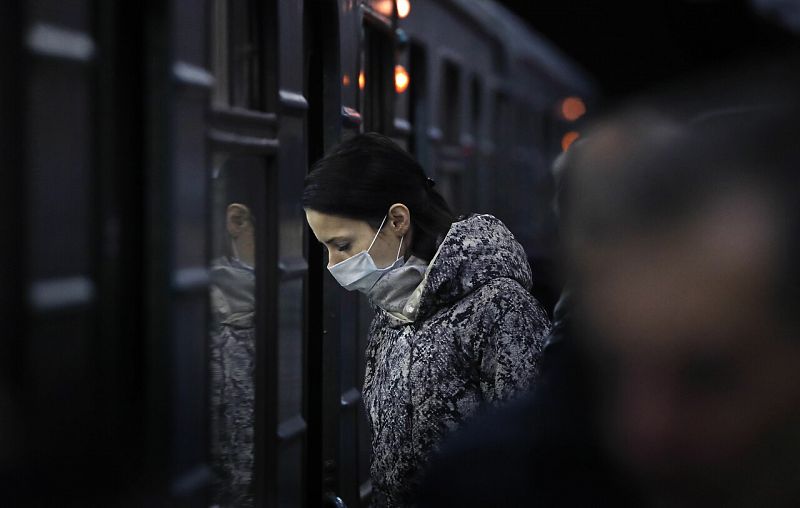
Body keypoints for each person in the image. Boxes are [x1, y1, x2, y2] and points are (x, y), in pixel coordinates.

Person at [302, 133, 551, 507]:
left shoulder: (501, 309)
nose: (333, 265)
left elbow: (534, 460)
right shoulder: (393, 310)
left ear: (397, 220)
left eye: (342, 245)